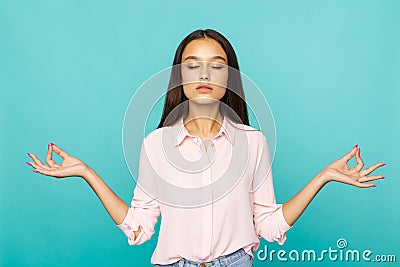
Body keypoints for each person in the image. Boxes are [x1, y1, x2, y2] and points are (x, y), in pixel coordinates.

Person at [25, 29, 386, 267]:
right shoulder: (155, 145)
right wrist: (86, 173)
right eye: (192, 65)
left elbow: (269, 223)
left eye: (216, 66)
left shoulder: (252, 142)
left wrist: (322, 177)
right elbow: (139, 227)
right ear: (180, 76)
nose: (204, 75)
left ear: (228, 77)